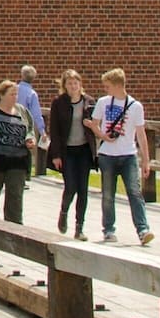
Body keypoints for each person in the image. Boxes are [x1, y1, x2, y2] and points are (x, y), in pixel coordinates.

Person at [84, 68, 154, 246]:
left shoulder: (135, 106)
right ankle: (108, 229)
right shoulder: (103, 102)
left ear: (117, 85)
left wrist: (146, 160)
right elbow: (95, 124)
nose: (105, 89)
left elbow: (141, 134)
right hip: (108, 154)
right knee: (108, 194)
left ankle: (143, 229)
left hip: (128, 154)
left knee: (134, 192)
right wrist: (102, 135)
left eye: (107, 86)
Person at [0, 80, 38, 223]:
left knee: (15, 197)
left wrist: (30, 139)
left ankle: (14, 231)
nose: (15, 97)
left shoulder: (22, 111)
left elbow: (29, 129)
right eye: (12, 94)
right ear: (1, 95)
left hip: (18, 161)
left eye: (16, 94)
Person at [48, 70, 96, 241]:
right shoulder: (59, 103)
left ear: (80, 84)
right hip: (67, 150)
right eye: (69, 83)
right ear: (64, 85)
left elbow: (96, 124)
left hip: (83, 149)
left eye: (75, 83)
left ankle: (79, 227)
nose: (73, 86)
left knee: (83, 189)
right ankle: (64, 211)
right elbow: (54, 129)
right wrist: (56, 154)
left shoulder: (88, 102)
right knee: (71, 187)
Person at [17, 65, 48, 179]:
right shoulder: (31, 93)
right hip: (25, 126)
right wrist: (42, 130)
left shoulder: (14, 90)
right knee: (26, 151)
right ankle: (24, 177)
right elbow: (36, 113)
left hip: (11, 123)